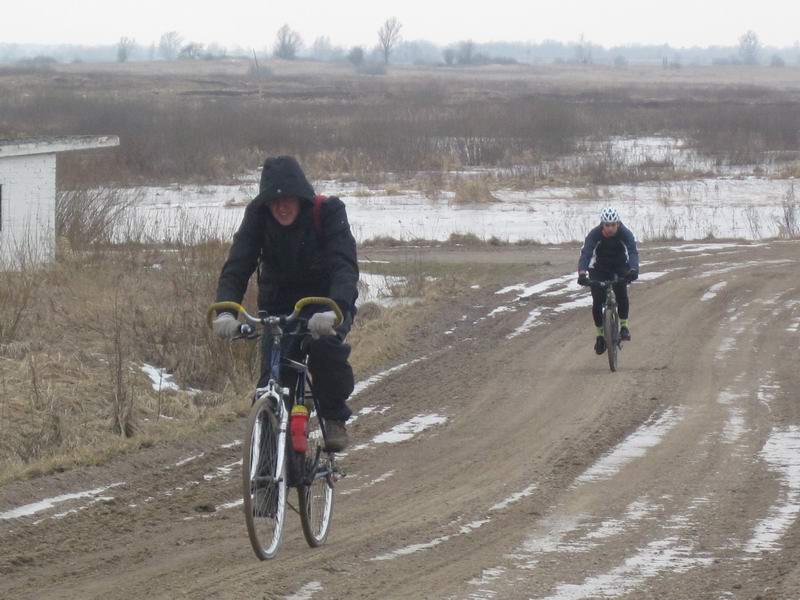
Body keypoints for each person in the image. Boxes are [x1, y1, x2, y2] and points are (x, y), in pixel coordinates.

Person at [212, 156, 359, 451]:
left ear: (301, 197)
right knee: (271, 383)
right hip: (278, 310)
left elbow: (344, 266)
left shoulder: (328, 211)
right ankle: (266, 471)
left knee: (324, 350)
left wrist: (334, 308)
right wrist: (226, 310)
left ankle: (333, 419)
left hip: (325, 304)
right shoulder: (257, 217)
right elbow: (238, 266)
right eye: (273, 201)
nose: (281, 207)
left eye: (288, 199)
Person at [577, 206, 639, 355]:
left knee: (621, 293)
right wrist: (582, 273)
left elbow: (632, 251)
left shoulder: (625, 233)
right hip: (599, 268)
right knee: (597, 301)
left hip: (619, 266)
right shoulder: (594, 235)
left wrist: (633, 270)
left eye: (613, 225)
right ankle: (600, 336)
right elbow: (586, 253)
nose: (610, 228)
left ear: (617, 223)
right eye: (607, 225)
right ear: (602, 224)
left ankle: (624, 326)